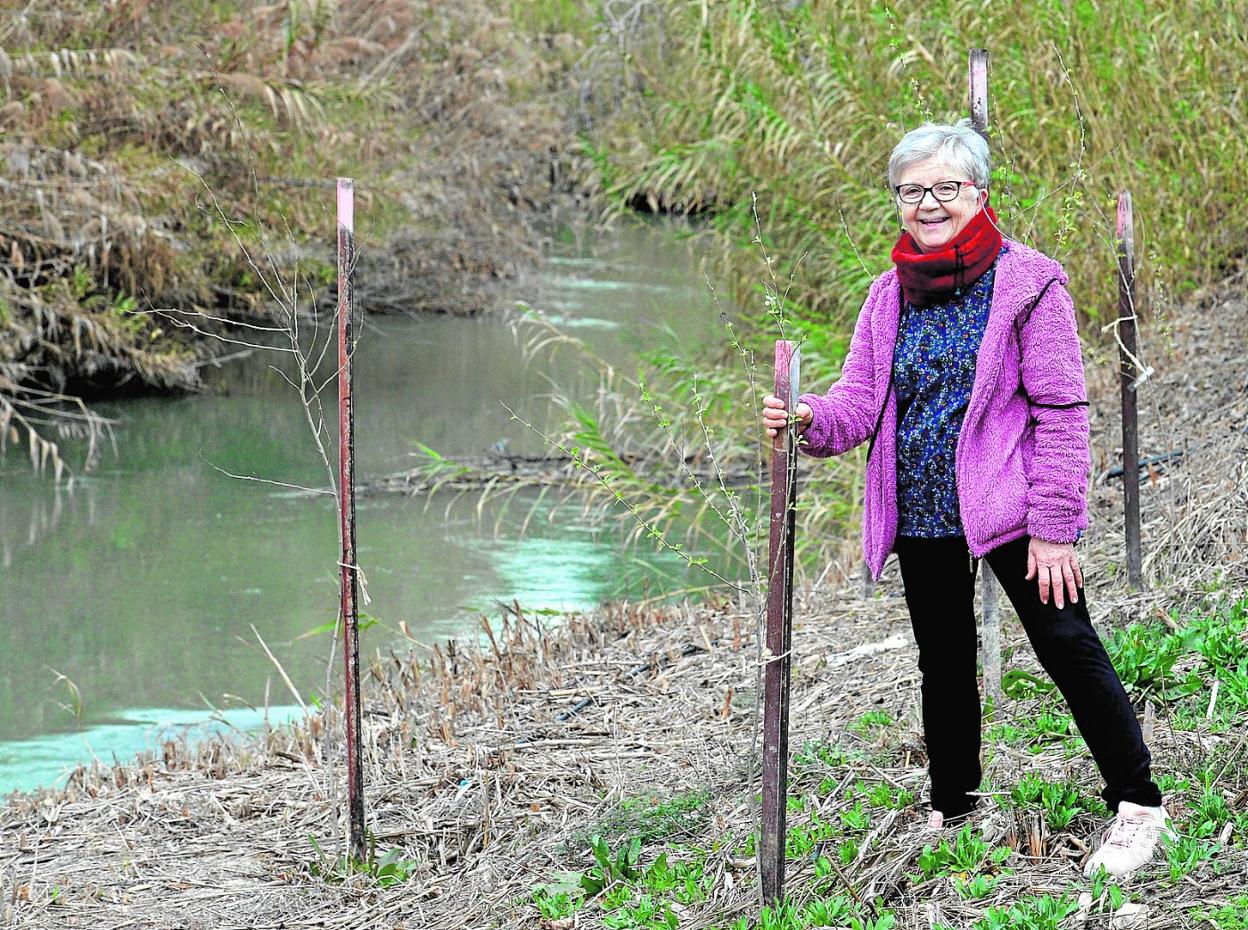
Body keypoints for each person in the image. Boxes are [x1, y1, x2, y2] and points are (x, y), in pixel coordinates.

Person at [761, 119, 1173, 879]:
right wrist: (811, 417)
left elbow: (1062, 410)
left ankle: (1138, 804)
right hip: (922, 514)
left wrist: (1055, 526)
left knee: (1068, 648)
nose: (928, 204)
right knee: (942, 664)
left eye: (945, 188)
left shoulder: (1029, 283)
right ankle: (954, 810)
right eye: (911, 190)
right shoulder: (888, 296)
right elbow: (858, 401)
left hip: (1014, 510)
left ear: (978, 194)